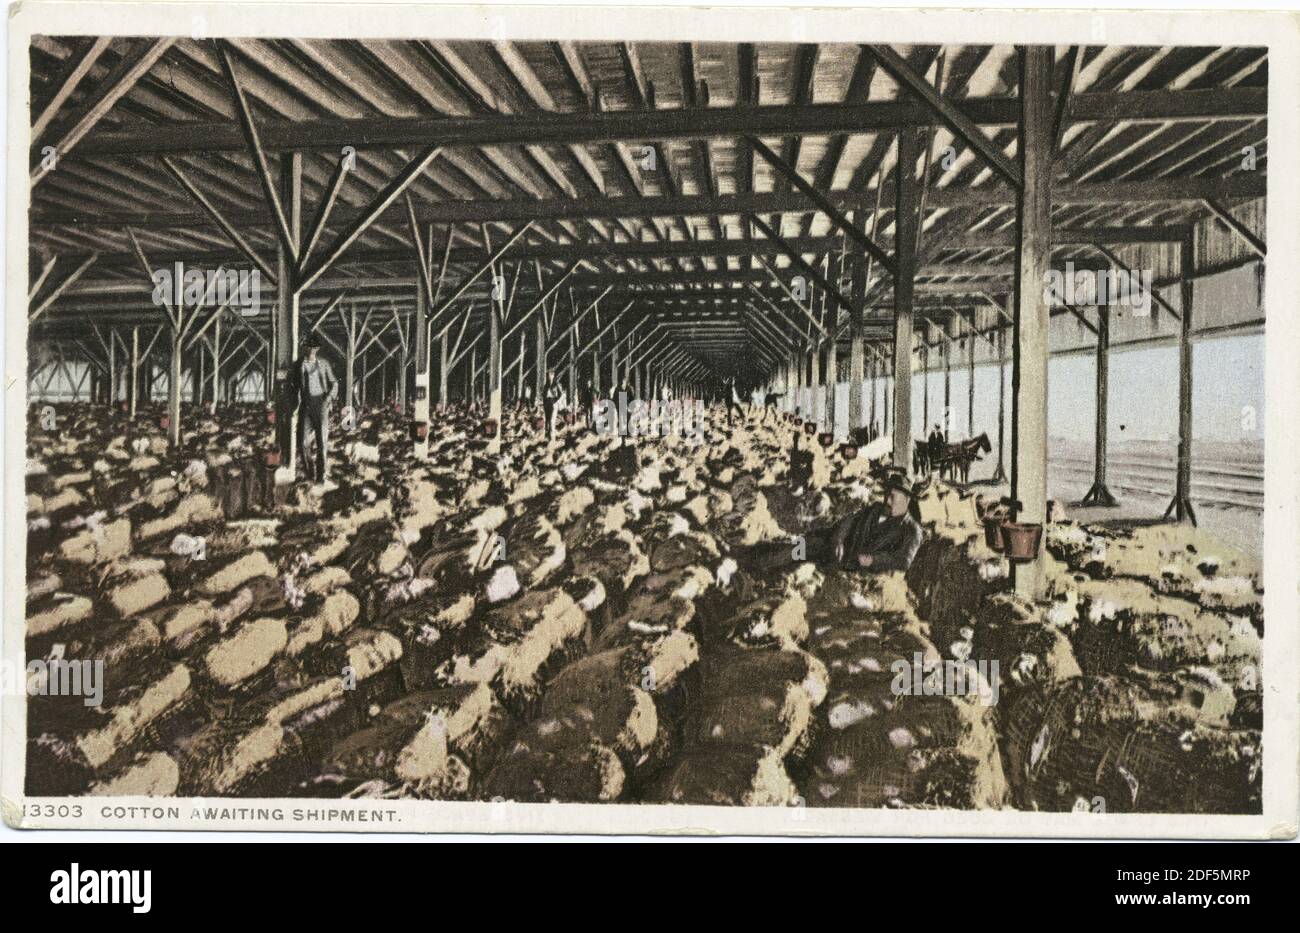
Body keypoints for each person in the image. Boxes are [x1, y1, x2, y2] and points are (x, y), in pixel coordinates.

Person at [829, 472, 924, 572]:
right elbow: (850, 518)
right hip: (844, 569)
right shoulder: (874, 508)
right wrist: (839, 539)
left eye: (892, 497)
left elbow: (904, 561)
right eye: (886, 495)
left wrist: (873, 560)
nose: (887, 501)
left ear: (906, 499)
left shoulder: (913, 530)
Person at [294, 338, 338, 483]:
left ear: (317, 349)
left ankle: (320, 476)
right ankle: (309, 472)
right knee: (303, 442)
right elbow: (292, 385)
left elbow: (334, 383)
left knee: (322, 443)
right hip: (306, 405)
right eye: (308, 347)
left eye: (314, 348)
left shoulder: (324, 364)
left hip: (320, 404)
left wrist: (328, 399)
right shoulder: (298, 365)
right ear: (304, 348)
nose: (311, 350)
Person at [542, 370, 565, 439]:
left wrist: (556, 400)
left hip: (553, 403)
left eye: (550, 375)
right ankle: (547, 437)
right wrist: (544, 402)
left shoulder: (556, 384)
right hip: (547, 403)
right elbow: (544, 394)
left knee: (552, 420)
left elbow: (561, 393)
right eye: (548, 375)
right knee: (547, 420)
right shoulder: (546, 384)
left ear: (553, 375)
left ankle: (552, 437)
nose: (549, 376)